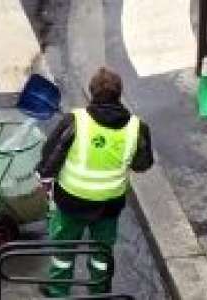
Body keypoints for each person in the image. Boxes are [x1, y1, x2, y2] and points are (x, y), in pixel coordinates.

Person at [36, 67, 154, 298]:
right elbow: (143, 164)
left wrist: (43, 177)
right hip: (109, 205)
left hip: (71, 203)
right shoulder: (137, 127)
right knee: (102, 253)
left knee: (64, 251)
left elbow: (50, 155)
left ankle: (58, 291)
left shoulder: (76, 120)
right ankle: (99, 292)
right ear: (119, 94)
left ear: (91, 93)